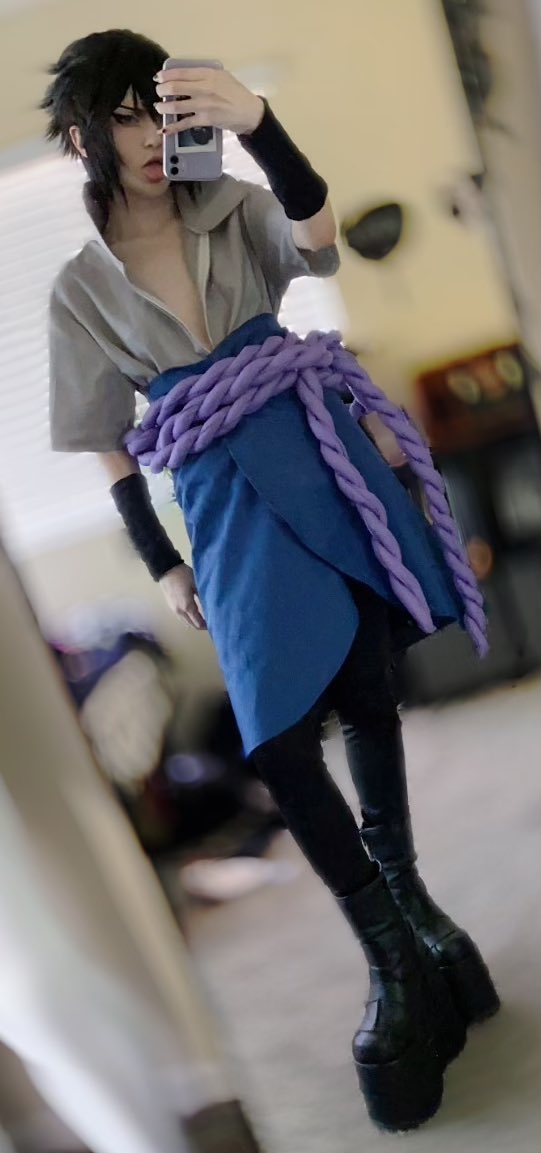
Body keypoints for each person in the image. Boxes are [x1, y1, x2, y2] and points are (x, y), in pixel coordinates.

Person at [42, 29, 499, 1133]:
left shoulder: (231, 206)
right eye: (124, 117)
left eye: (161, 112)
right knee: (277, 742)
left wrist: (257, 122)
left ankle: (417, 913)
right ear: (83, 138)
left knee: (367, 688)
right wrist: (161, 562)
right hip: (223, 503)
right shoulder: (78, 291)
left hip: (316, 453)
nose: (150, 138)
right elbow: (110, 444)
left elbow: (318, 240)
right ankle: (390, 951)